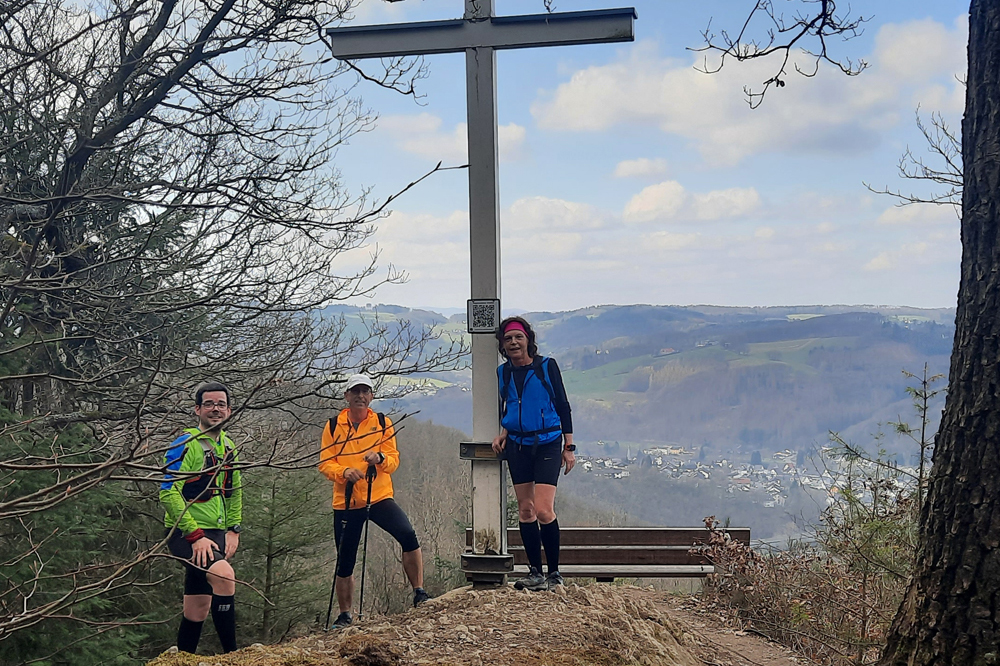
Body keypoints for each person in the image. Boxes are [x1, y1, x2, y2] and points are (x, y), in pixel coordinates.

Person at [319, 373, 429, 628]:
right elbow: (325, 463)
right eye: (355, 391)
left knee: (408, 536)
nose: (360, 396)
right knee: (345, 560)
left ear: (371, 396)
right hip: (346, 500)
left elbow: (393, 459)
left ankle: (419, 592)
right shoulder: (333, 425)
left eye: (365, 391)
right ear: (346, 396)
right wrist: (344, 473)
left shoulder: (382, 422)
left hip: (378, 496)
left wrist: (380, 458)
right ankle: (345, 614)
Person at [491, 317, 575, 591]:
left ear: (528, 339)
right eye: (508, 339)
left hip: (548, 442)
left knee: (543, 509)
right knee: (526, 510)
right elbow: (509, 406)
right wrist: (504, 431)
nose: (513, 343)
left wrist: (569, 446)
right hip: (517, 445)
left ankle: (554, 573)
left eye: (518, 337)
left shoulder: (546, 367)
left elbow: (562, 405)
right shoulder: (503, 373)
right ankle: (535, 572)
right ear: (503, 345)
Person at [160, 381, 242, 654]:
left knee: (197, 608)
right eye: (209, 404)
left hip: (217, 532)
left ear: (229, 410)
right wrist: (195, 537)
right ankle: (234, 655)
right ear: (197, 409)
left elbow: (234, 492)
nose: (215, 409)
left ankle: (183, 658)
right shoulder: (185, 444)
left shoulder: (229, 446)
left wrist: (234, 529)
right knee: (225, 577)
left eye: (221, 404)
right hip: (185, 533)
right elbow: (168, 493)